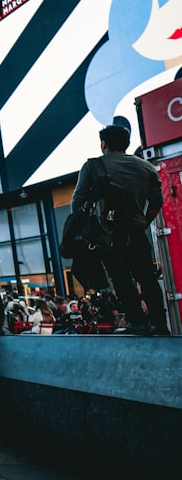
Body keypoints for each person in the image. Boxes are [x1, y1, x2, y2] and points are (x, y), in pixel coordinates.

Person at [72, 123, 166, 335]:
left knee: (121, 279)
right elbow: (157, 200)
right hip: (137, 232)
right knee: (147, 278)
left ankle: (137, 322)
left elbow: (77, 203)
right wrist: (145, 222)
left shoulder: (93, 166)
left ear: (103, 144)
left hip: (109, 235)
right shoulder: (146, 167)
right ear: (126, 144)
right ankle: (160, 324)